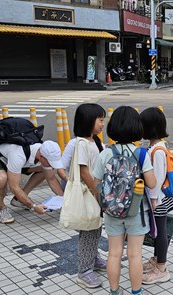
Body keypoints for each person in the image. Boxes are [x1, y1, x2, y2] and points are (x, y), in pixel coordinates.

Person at [91, 106, 156, 295]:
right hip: (136, 211)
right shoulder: (141, 154)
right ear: (137, 128)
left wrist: (109, 201)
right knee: (134, 254)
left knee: (114, 253)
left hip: (112, 211)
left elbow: (96, 183)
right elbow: (151, 183)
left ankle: (114, 291)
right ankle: (136, 292)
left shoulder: (106, 153)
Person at [60, 104, 108, 288]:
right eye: (100, 120)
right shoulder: (81, 143)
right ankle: (84, 271)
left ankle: (93, 258)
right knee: (89, 230)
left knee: (94, 228)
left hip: (93, 191)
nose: (103, 124)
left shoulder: (94, 141)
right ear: (89, 121)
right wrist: (97, 192)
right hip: (89, 192)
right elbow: (84, 171)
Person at [0, 140, 64, 224]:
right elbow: (14, 187)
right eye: (50, 162)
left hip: (12, 160)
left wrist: (64, 200)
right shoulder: (18, 155)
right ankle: (0, 207)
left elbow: (51, 179)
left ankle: (19, 199)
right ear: (41, 155)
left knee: (43, 169)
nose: (51, 164)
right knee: (1, 179)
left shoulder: (43, 152)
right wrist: (33, 206)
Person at [140, 107, 173, 285]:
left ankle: (161, 268)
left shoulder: (158, 151)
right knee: (157, 231)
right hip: (157, 198)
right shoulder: (155, 147)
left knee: (160, 232)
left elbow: (158, 178)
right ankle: (157, 259)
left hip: (158, 200)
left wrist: (153, 201)